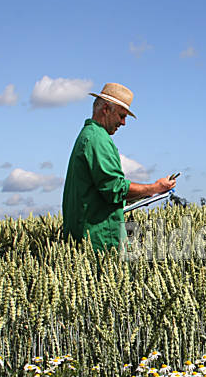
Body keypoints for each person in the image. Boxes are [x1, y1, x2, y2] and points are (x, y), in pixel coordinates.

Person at [62, 83, 176, 252]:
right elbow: (115, 189)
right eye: (122, 116)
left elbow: (102, 190)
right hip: (101, 240)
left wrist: (145, 193)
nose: (123, 123)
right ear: (106, 109)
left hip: (86, 234)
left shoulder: (88, 135)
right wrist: (155, 187)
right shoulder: (98, 139)